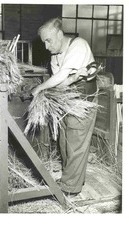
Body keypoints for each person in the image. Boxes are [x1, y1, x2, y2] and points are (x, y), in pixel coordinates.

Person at [31, 17, 98, 195]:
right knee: (64, 142)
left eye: (48, 40)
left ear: (60, 35)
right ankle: (73, 177)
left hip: (84, 99)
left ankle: (70, 188)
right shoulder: (55, 55)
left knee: (75, 142)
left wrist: (39, 88)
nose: (46, 46)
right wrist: (67, 80)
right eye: (43, 42)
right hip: (67, 100)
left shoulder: (78, 45)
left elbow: (60, 77)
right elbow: (61, 84)